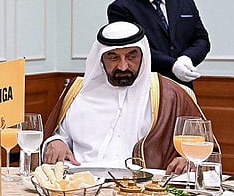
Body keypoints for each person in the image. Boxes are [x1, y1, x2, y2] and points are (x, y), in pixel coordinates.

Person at [42, 21, 202, 174]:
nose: (123, 66)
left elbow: (203, 151)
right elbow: (60, 135)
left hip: (144, 189)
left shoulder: (170, 95)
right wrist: (55, 142)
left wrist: (189, 160)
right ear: (100, 58)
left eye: (132, 57)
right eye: (113, 57)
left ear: (143, 55)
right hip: (80, 185)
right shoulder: (78, 92)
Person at [107, 0, 210, 87]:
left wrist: (187, 58)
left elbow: (202, 39)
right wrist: (172, 65)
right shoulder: (121, 8)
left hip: (183, 84)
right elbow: (132, 48)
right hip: (146, 86)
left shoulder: (185, 3)